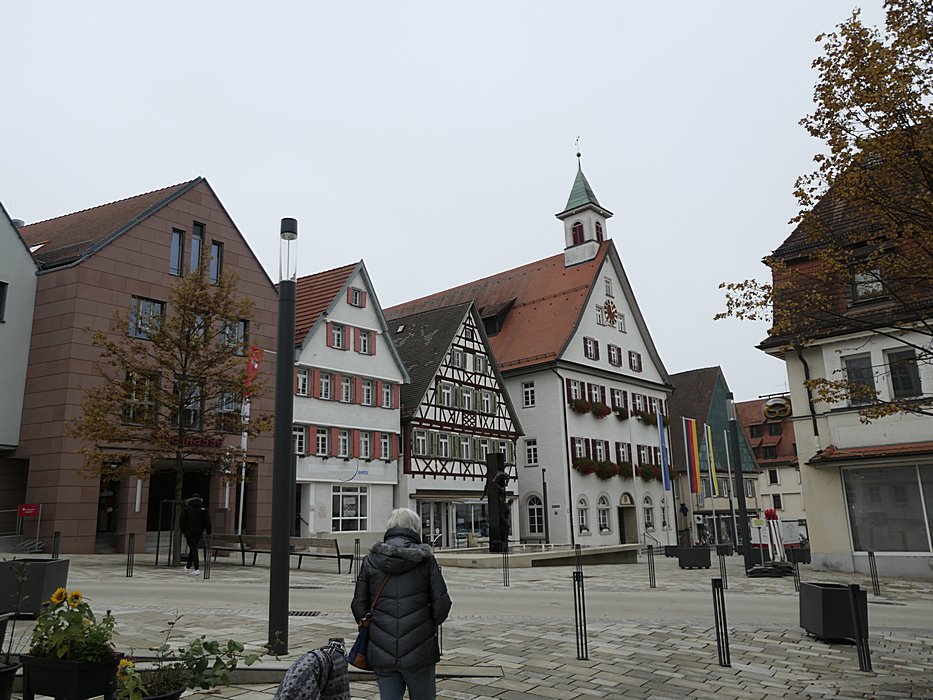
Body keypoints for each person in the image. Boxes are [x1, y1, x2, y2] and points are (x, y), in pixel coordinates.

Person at [351, 508, 451, 700]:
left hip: (381, 648)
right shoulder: (425, 559)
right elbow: (442, 605)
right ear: (415, 528)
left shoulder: (371, 559)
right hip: (419, 648)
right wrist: (426, 623)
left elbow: (358, 607)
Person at [180, 493, 211, 576]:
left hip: (189, 532)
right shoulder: (204, 509)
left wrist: (183, 530)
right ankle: (188, 566)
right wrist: (209, 532)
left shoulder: (187, 509)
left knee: (193, 549)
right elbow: (208, 521)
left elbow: (182, 521)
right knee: (193, 548)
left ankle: (197, 569)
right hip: (199, 532)